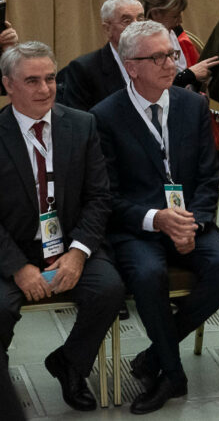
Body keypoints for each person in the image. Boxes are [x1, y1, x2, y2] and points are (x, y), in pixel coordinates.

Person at [91, 20, 219, 414]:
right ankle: (172, 376)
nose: (169, 64)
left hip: (190, 220)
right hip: (137, 228)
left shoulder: (193, 105)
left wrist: (197, 222)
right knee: (147, 274)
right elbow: (106, 196)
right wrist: (157, 219)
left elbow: (210, 174)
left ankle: (155, 355)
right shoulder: (104, 117)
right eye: (156, 57)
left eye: (171, 54)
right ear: (131, 66)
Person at [0, 41, 125, 413]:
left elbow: (100, 197)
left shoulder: (82, 124)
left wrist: (77, 254)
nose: (45, 89)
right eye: (32, 81)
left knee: (109, 289)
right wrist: (19, 268)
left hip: (69, 243)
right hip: (12, 249)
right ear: (8, 85)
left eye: (51, 79)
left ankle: (70, 362)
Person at [57, 0, 144, 110]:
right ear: (107, 29)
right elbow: (80, 122)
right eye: (127, 21)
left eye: (141, 19)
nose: (136, 26)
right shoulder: (84, 69)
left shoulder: (155, 61)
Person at [136, 0, 219, 89]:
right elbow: (154, 89)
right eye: (175, 16)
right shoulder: (138, 44)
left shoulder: (173, 32)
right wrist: (190, 75)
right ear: (155, 13)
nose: (180, 21)